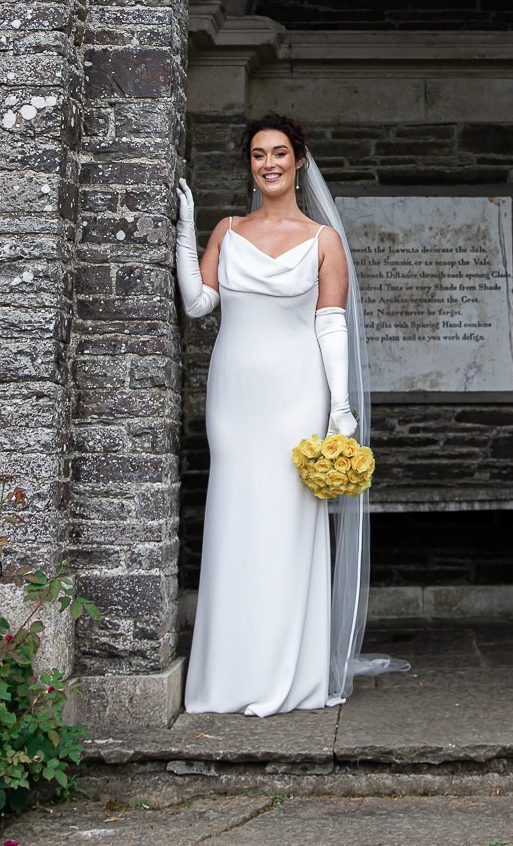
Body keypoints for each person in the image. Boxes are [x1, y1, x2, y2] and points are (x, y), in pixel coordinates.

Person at [173, 113, 377, 715]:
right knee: (235, 520)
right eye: (258, 154)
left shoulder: (323, 240)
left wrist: (340, 408)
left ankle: (293, 671)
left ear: (299, 160)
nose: (269, 163)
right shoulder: (228, 230)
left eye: (279, 153)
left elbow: (330, 324)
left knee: (288, 528)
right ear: (250, 165)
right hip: (233, 401)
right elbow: (198, 302)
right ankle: (229, 675)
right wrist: (187, 232)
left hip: (296, 396)